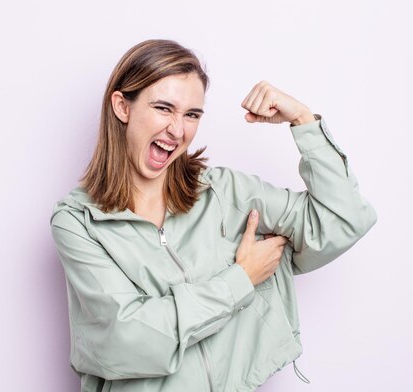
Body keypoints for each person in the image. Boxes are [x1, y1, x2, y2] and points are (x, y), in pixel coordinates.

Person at [50, 39, 377, 392]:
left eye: (192, 114)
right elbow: (127, 338)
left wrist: (303, 120)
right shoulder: (79, 222)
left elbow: (342, 221)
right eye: (164, 108)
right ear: (122, 107)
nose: (178, 130)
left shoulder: (223, 192)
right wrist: (240, 279)